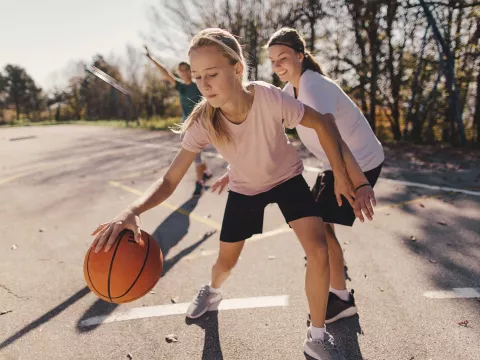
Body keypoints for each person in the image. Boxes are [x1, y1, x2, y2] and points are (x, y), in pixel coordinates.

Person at [93, 28, 373, 360]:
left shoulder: (269, 97)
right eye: (197, 77)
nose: (204, 84)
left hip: (287, 178)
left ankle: (316, 336)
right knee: (226, 263)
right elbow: (170, 180)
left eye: (212, 74)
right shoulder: (204, 122)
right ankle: (212, 292)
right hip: (245, 188)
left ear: (237, 69)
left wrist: (342, 177)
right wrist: (134, 209)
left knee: (318, 248)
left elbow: (324, 123)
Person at [214, 27, 384, 325]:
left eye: (284, 58)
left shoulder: (312, 86)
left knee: (321, 229)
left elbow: (335, 137)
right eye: (272, 60)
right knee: (321, 228)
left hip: (357, 162)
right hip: (336, 164)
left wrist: (358, 182)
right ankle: (333, 275)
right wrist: (238, 168)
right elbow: (264, 136)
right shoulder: (287, 91)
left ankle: (341, 298)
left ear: (301, 56)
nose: (277, 65)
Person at [145, 45, 212, 196]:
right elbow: (165, 73)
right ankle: (205, 173)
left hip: (202, 124)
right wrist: (151, 58)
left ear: (191, 70)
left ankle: (200, 182)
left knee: (196, 155)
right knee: (197, 154)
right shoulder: (180, 87)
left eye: (186, 69)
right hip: (188, 125)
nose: (183, 73)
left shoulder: (199, 85)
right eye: (180, 70)